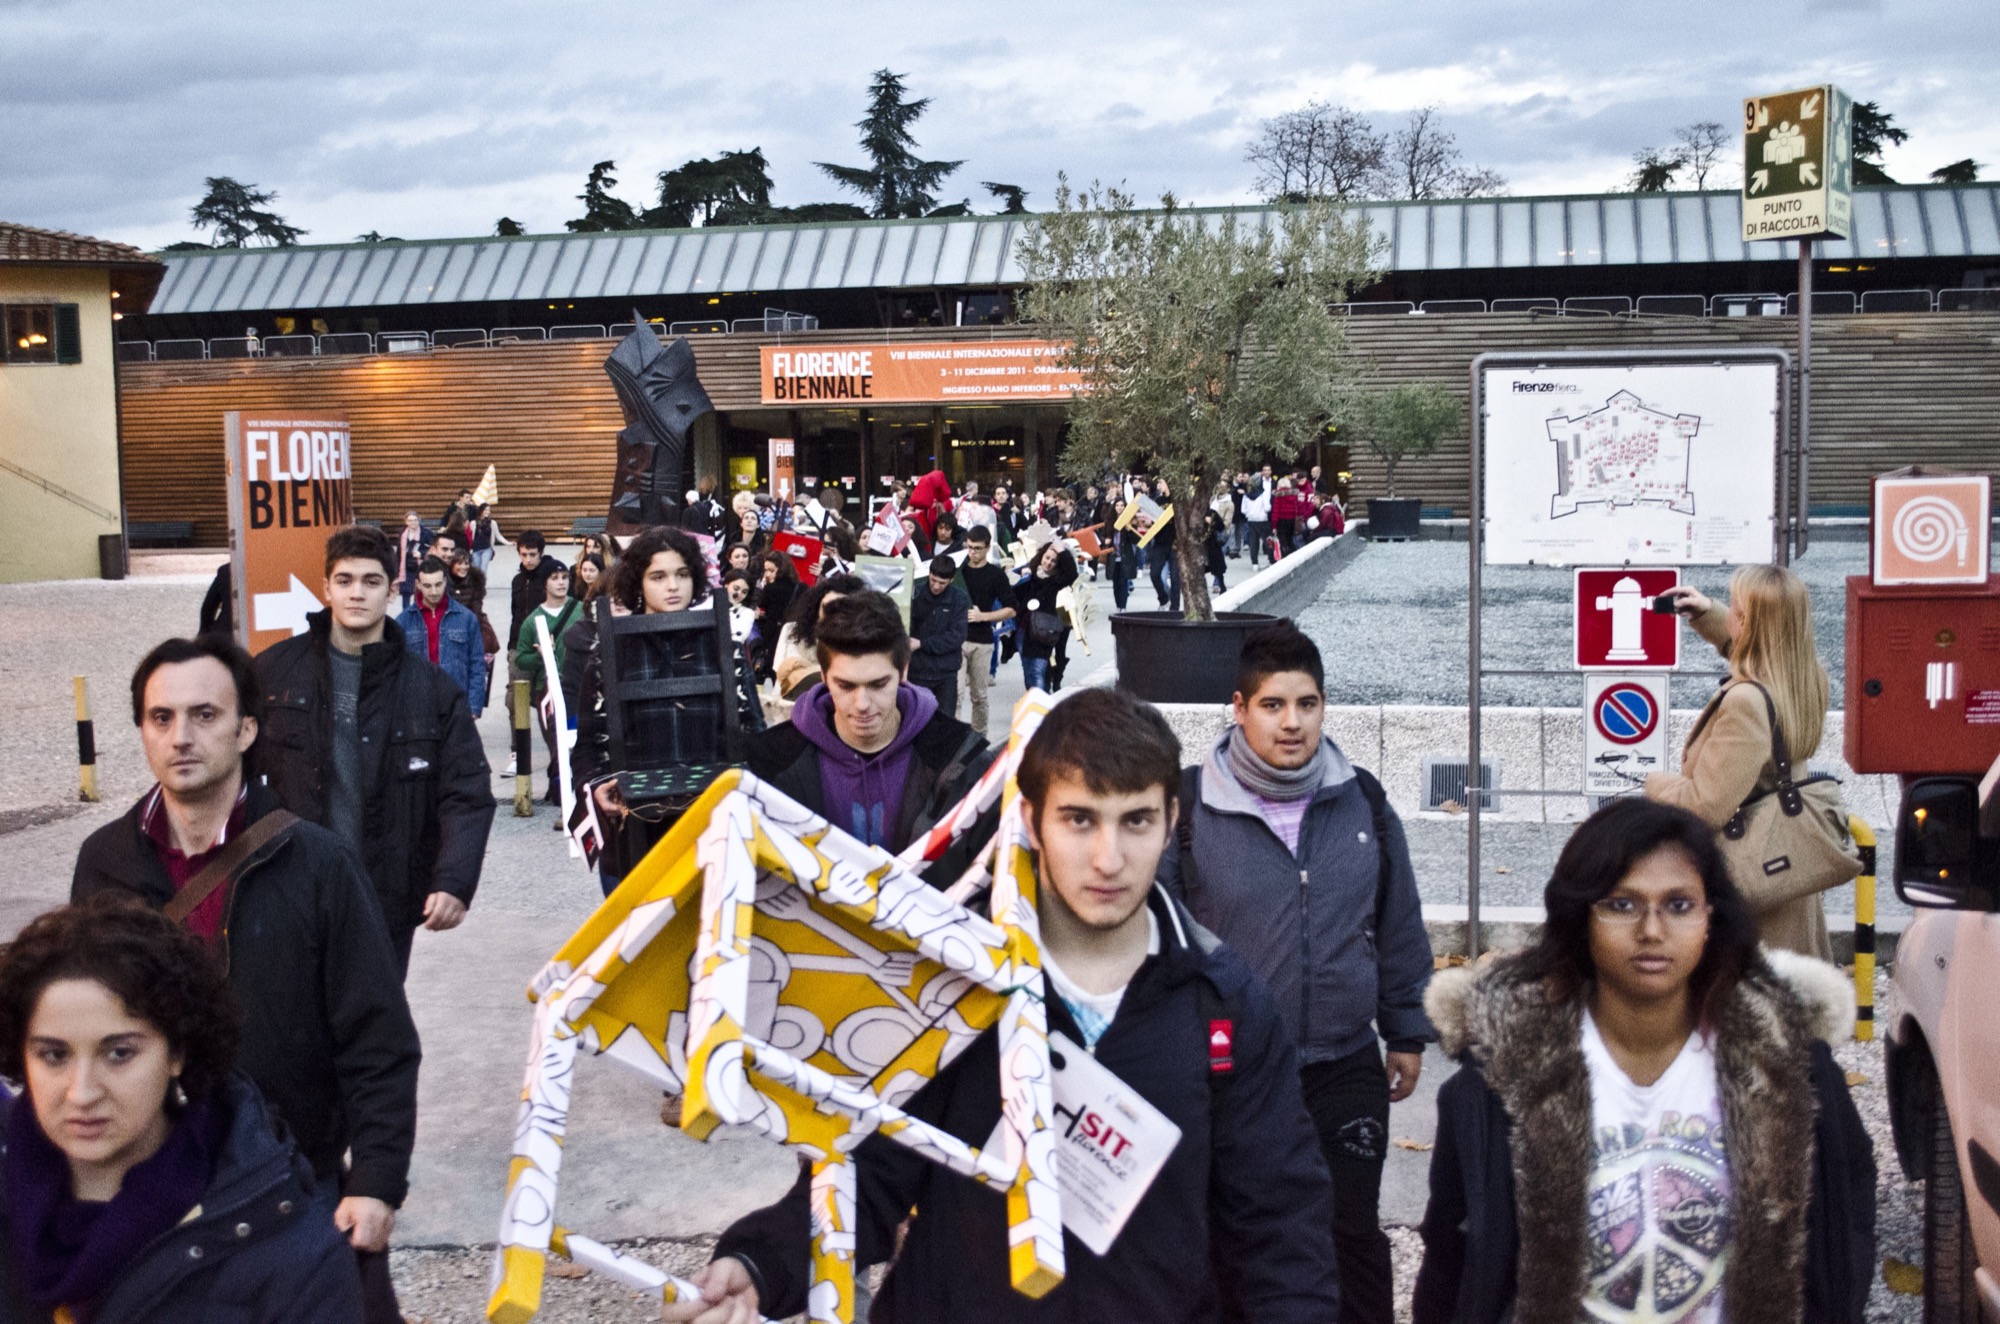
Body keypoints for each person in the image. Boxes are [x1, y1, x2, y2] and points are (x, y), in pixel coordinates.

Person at [668, 686, 1342, 1324]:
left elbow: (1279, 1224)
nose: (1109, 858)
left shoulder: (1224, 1005)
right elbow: (866, 1170)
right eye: (1080, 819)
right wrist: (759, 1260)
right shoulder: (956, 985)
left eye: (1135, 820)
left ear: (1172, 820)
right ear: (1030, 819)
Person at [1413, 797, 1876, 1324]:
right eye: (1622, 904)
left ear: (1710, 915)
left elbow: (1845, 1235)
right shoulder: (1497, 1080)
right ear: (1579, 916)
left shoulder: (1792, 1066)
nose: (1651, 930)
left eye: (1678, 904)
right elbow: (1451, 1260)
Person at [71, 634, 422, 1321]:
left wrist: (377, 1181)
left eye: (205, 715)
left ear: (247, 729)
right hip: (150, 1189)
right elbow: (79, 1025)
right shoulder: (105, 861)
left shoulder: (317, 862)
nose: (181, 737)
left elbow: (376, 1035)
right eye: (161, 718)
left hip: (293, 1180)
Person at [1163, 621, 1433, 1324]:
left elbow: (1397, 919)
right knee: (1238, 1233)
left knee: (1349, 1234)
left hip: (1345, 1063)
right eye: (1274, 705)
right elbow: (1155, 939)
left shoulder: (1362, 801)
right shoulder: (1187, 809)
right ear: (1239, 708)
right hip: (1231, 1070)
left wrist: (1406, 1029)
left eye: (1306, 704)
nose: (1292, 723)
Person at [0, 895, 368, 1322]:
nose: (81, 1093)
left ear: (177, 1051)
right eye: (53, 1055)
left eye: (119, 1053)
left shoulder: (289, 1257)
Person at [252, 525, 495, 972]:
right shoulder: (274, 674)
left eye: (371, 581)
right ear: (326, 588)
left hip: (385, 896)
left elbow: (467, 791)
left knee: (372, 1030)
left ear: (392, 588)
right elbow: (231, 775)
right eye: (344, 581)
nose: (356, 594)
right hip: (291, 889)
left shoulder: (432, 690)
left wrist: (454, 880)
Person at [1647, 565, 1839, 958]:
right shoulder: (1807, 680)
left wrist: (1651, 783)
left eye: (1734, 609)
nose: (1729, 614)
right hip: (1786, 878)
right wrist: (1705, 612)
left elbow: (1705, 806)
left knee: (1749, 1014)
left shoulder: (1746, 703)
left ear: (1748, 623)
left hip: (1752, 902)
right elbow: (1761, 652)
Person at [745, 592, 992, 882]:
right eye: (846, 686)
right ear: (823, 676)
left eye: (878, 684)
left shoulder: (962, 759)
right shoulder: (768, 764)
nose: (862, 703)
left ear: (903, 671)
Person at [568, 526, 730, 894]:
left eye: (682, 574)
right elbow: (587, 744)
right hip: (635, 831)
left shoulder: (723, 646)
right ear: (638, 583)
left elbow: (750, 734)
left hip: (713, 829)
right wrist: (595, 785)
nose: (672, 586)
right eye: (658, 576)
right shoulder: (609, 653)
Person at [513, 560, 582, 806]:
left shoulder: (580, 610)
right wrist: (540, 655)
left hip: (579, 686)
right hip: (549, 689)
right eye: (555, 578)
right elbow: (521, 657)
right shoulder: (533, 620)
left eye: (564, 577)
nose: (561, 582)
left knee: (578, 740)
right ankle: (560, 793)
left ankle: (577, 791)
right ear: (545, 584)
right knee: (556, 743)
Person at [396, 557, 486, 718]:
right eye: (427, 586)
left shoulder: (466, 618)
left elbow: (477, 665)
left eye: (438, 585)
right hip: (418, 706)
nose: (434, 591)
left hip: (455, 703)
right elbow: (396, 669)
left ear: (445, 582)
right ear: (417, 584)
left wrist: (473, 706)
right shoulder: (403, 621)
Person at [956, 526, 1014, 735]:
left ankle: (979, 739)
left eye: (978, 548)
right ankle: (954, 742)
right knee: (956, 694)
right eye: (970, 548)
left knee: (979, 695)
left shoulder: (995, 574)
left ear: (987, 548)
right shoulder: (959, 570)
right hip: (958, 639)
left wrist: (984, 617)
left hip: (983, 640)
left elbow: (1011, 609)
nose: (973, 552)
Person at [907, 554, 969, 720]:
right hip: (917, 671)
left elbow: (957, 636)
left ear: (951, 580)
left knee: (945, 722)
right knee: (916, 721)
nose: (935, 586)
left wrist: (922, 644)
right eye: (933, 580)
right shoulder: (915, 593)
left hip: (945, 673)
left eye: (942, 583)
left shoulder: (959, 599)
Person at [1014, 539, 1075, 692]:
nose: (1048, 563)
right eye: (1047, 558)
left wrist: (1062, 552)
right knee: (1028, 671)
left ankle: (1041, 708)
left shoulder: (1056, 580)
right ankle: (1035, 703)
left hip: (1043, 631)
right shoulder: (1029, 572)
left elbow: (1071, 574)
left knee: (1038, 672)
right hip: (1023, 629)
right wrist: (1021, 576)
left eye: (1054, 561)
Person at [507, 530, 559, 656]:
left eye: (532, 555)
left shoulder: (552, 578)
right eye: (523, 555)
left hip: (547, 644)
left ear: (541, 553)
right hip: (519, 644)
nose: (528, 560)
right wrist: (513, 644)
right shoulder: (517, 581)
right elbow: (515, 613)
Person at [394, 510, 427, 611]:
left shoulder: (426, 533)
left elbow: (431, 548)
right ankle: (406, 615)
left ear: (419, 520)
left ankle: (417, 614)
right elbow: (399, 552)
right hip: (405, 567)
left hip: (419, 566)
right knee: (406, 594)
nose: (413, 522)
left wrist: (421, 553)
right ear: (406, 522)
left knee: (419, 592)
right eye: (410, 520)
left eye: (415, 520)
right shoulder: (402, 534)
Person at [1244, 466, 1274, 566]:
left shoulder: (1246, 494)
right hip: (1262, 518)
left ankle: (1254, 563)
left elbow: (1243, 509)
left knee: (1253, 541)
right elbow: (1267, 508)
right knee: (1268, 539)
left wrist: (1250, 512)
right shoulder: (1262, 493)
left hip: (1251, 519)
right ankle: (1271, 558)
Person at [467, 502, 505, 573]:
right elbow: (469, 537)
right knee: (476, 570)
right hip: (475, 549)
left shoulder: (492, 523)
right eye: (486, 510)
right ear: (481, 511)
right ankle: (478, 583)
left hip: (486, 548)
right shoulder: (473, 523)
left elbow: (498, 535)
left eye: (489, 510)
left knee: (483, 569)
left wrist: (508, 543)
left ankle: (482, 583)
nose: (488, 512)